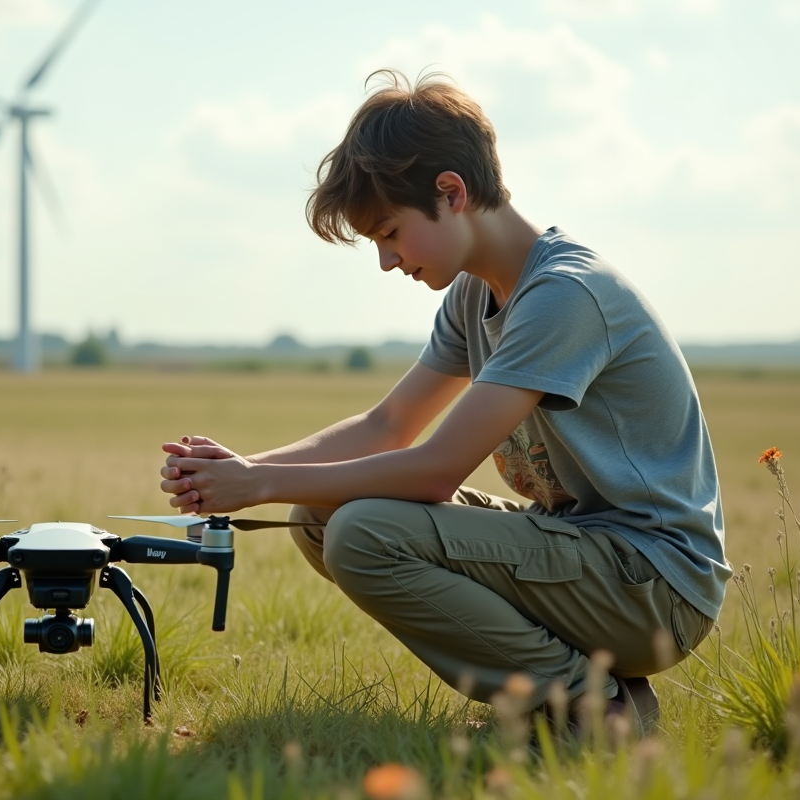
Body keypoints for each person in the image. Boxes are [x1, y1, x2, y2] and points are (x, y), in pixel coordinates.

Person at [157, 70, 729, 735]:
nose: (387, 262)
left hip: (656, 585)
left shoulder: (565, 294)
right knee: (319, 513)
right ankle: (576, 687)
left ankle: (589, 707)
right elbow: (388, 424)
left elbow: (435, 470)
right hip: (592, 556)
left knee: (364, 534)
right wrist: (241, 468)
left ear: (451, 193)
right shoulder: (473, 293)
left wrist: (254, 483)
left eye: (390, 234)